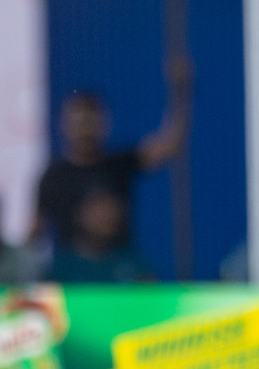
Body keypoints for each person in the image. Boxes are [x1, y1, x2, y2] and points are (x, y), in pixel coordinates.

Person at [33, 60, 191, 255]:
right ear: (64, 125)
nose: (85, 130)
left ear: (104, 124)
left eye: (91, 121)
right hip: (73, 274)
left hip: (119, 268)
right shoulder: (53, 176)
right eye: (79, 122)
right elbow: (36, 233)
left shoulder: (118, 164)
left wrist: (181, 93)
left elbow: (170, 145)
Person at [48, 190, 154, 283]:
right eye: (99, 206)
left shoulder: (133, 264)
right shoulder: (61, 269)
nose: (107, 215)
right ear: (77, 215)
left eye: (112, 207)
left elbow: (152, 301)